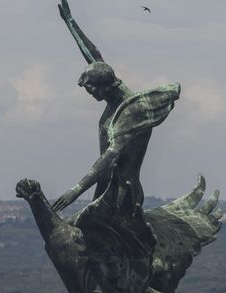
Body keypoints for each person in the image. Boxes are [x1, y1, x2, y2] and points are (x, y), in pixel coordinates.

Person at [51, 0, 180, 213]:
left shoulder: (132, 112)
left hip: (123, 196)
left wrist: (75, 191)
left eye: (90, 90)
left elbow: (111, 156)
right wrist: (70, 21)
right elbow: (93, 54)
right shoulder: (110, 87)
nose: (89, 94)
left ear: (104, 87)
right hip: (106, 189)